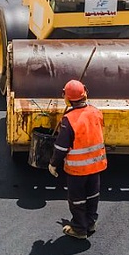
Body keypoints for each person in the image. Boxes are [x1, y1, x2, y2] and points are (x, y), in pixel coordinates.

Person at [48, 79, 107, 240]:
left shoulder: (69, 120)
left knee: (77, 200)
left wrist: (53, 164)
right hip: (96, 166)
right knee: (93, 195)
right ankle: (90, 222)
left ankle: (80, 228)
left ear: (66, 98)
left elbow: (61, 147)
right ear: (85, 94)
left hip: (77, 170)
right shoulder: (96, 112)